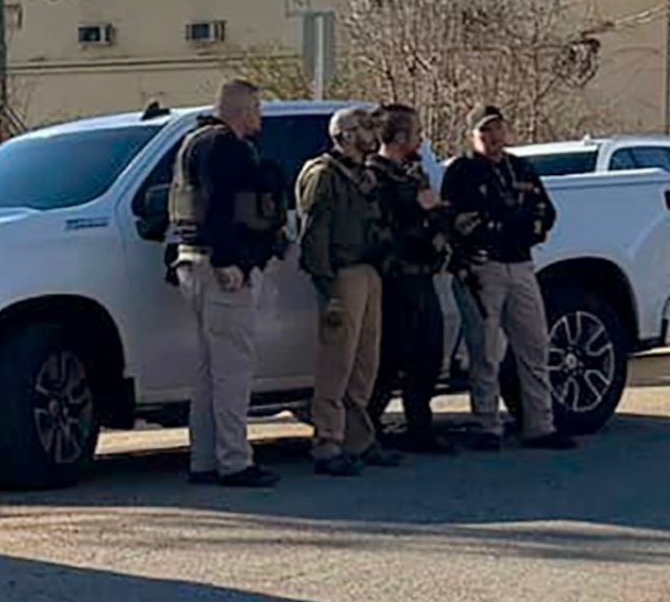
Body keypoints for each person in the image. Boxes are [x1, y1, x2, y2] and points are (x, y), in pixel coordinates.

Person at [165, 80, 289, 488]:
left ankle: (203, 460)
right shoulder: (227, 147)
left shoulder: (192, 142)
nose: (260, 117)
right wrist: (228, 260)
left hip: (189, 262)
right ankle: (236, 461)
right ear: (241, 109)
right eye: (256, 108)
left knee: (207, 373)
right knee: (234, 370)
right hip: (220, 268)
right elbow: (221, 206)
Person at [445, 106, 574, 453]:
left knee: (534, 345)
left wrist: (521, 227)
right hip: (482, 267)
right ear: (473, 136)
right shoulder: (462, 172)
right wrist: (492, 229)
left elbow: (544, 211)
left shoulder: (521, 168)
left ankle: (540, 424)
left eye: (498, 129)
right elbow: (459, 220)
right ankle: (487, 424)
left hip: (520, 264)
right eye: (485, 131)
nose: (494, 137)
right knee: (485, 350)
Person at [294, 106, 395, 477]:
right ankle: (327, 441)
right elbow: (314, 235)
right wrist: (327, 287)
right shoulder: (323, 175)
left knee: (364, 364)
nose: (371, 133)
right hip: (342, 275)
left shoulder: (364, 176)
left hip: (369, 271)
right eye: (363, 127)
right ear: (344, 134)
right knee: (337, 363)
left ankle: (359, 438)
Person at [368, 105, 457, 455]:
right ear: (400, 137)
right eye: (416, 133)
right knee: (389, 358)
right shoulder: (374, 177)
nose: (420, 140)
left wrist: (435, 220)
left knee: (427, 355)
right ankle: (369, 429)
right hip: (394, 279)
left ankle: (420, 427)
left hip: (423, 277)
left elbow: (437, 217)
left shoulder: (413, 175)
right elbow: (386, 229)